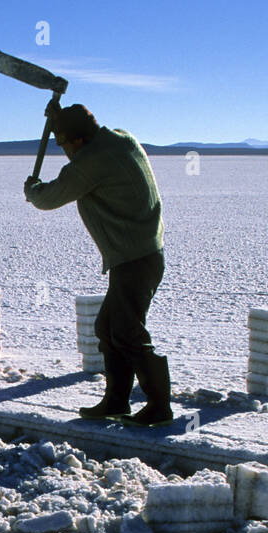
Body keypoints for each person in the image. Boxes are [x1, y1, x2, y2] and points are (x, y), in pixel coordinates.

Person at [24, 102, 171, 426]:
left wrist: (33, 190)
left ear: (76, 141)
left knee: (127, 331)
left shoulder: (92, 162)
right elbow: (80, 152)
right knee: (108, 327)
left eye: (63, 144)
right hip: (140, 255)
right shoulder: (121, 139)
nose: (64, 152)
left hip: (135, 258)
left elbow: (51, 197)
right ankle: (116, 401)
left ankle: (160, 407)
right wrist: (60, 120)